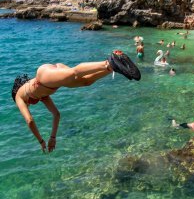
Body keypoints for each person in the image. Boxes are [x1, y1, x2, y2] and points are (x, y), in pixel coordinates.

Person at [12, 50, 141, 153]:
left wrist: (41, 141)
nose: (28, 105)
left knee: (74, 72)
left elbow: (29, 120)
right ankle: (113, 67)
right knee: (86, 81)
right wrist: (52, 138)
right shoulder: (41, 96)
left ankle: (109, 62)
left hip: (44, 75)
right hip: (50, 78)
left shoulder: (19, 96)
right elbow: (56, 114)